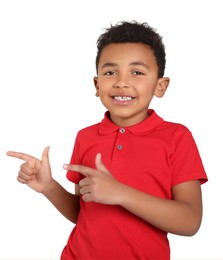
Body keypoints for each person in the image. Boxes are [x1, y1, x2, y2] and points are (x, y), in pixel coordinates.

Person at [7, 20, 208, 259]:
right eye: (110, 72)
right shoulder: (86, 136)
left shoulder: (177, 137)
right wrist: (49, 187)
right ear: (97, 84)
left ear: (160, 86)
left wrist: (121, 193)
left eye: (137, 72)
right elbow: (82, 212)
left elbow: (190, 221)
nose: (122, 82)